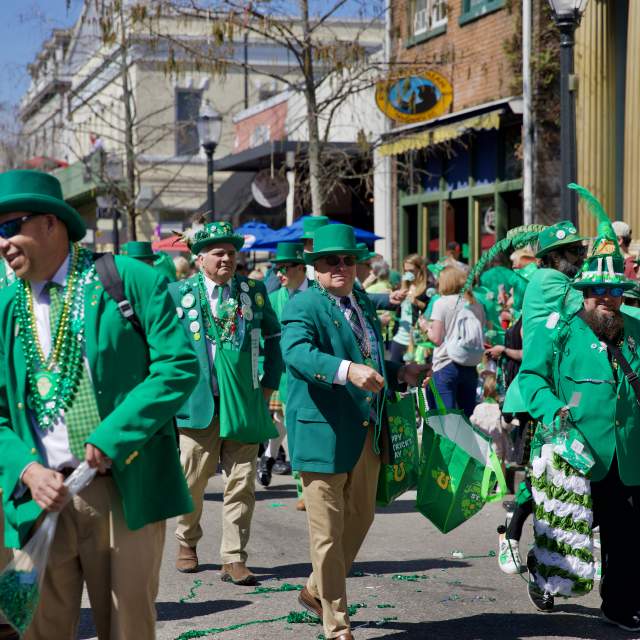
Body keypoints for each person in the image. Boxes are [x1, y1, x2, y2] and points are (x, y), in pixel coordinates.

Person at [0, 170, 198, 639]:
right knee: (41, 628)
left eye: (12, 227)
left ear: (51, 224)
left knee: (126, 625)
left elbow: (178, 366)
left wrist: (113, 435)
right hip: (41, 496)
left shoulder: (128, 280)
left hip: (121, 488)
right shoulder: (7, 307)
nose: (3, 242)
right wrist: (26, 469)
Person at [281, 223, 428, 640]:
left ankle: (314, 590)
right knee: (327, 535)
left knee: (359, 521)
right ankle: (336, 624)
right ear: (316, 266)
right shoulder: (303, 304)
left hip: (366, 433)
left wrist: (401, 371)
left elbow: (371, 359)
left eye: (349, 260)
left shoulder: (359, 301)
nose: (342, 267)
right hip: (321, 435)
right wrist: (346, 371)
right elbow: (296, 354)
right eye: (332, 261)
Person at [519, 202, 640, 629]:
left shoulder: (635, 326)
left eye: (615, 291)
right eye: (599, 292)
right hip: (573, 451)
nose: (608, 300)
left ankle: (619, 604)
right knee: (568, 530)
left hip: (626, 452)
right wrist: (554, 412)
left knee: (625, 536)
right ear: (585, 292)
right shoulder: (558, 328)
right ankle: (540, 569)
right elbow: (531, 378)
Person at [171, 221, 283, 585]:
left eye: (232, 253)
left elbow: (274, 339)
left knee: (242, 483)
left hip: (245, 403)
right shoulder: (179, 293)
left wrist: (267, 387)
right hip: (198, 404)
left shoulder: (253, 290)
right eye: (219, 253)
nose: (227, 259)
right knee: (192, 481)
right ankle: (187, 541)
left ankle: (234, 557)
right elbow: (164, 351)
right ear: (199, 258)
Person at [259, 242, 309, 501]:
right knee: (283, 425)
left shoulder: (317, 294)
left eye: (284, 268)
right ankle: (270, 458)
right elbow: (262, 336)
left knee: (298, 430)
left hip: (312, 377)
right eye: (277, 268)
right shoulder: (275, 297)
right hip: (283, 376)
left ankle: (303, 488)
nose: (278, 274)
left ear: (302, 267)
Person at [426, 266, 485, 417]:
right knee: (466, 419)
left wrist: (426, 327)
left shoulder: (442, 303)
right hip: (470, 365)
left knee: (444, 420)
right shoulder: (475, 304)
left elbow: (437, 339)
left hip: (445, 364)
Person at [389, 254, 428, 364]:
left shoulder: (428, 288)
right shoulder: (403, 288)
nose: (408, 274)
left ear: (420, 270)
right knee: (395, 377)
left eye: (411, 271)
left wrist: (415, 301)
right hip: (399, 338)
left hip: (417, 341)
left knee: (417, 379)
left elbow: (430, 309)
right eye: (406, 271)